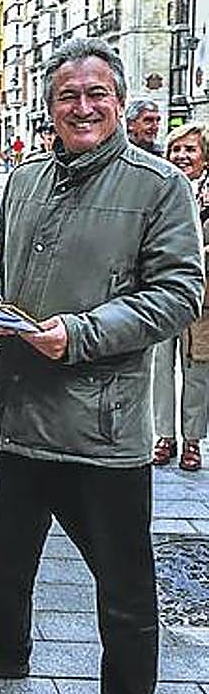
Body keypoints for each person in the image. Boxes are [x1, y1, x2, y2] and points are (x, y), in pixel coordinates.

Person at [0, 39, 204, 694]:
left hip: (100, 425)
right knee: (6, 547)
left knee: (123, 578)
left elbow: (179, 293)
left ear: (117, 102)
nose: (81, 107)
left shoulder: (158, 185)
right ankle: (2, 647)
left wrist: (78, 333)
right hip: (15, 406)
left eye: (95, 94)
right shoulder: (25, 178)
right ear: (49, 106)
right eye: (67, 95)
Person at [152, 121, 209, 472]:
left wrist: (194, 255)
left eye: (190, 149)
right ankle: (164, 436)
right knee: (160, 366)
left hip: (203, 299)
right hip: (159, 293)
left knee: (198, 370)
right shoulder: (161, 187)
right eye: (176, 149)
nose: (182, 155)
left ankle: (192, 440)